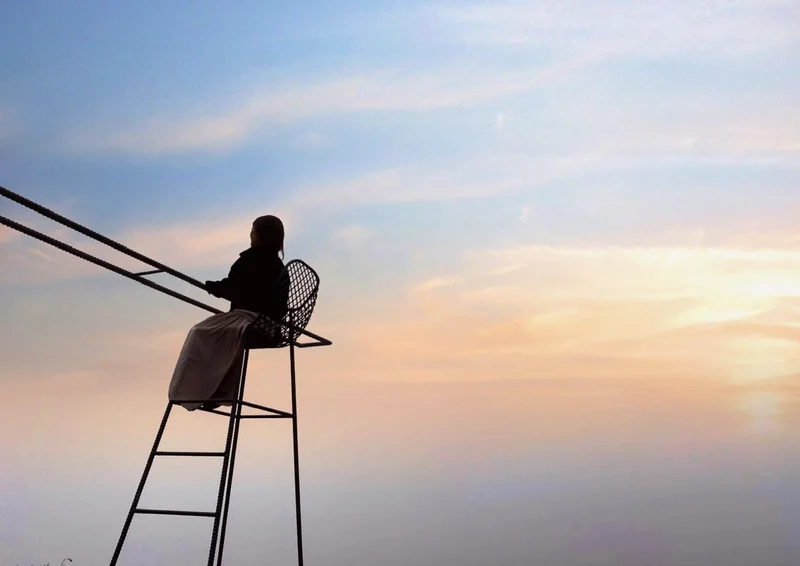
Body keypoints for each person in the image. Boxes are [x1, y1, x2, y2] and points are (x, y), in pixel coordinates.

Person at [168, 215, 289, 411]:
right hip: (270, 327)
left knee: (200, 332)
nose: (250, 234)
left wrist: (212, 287)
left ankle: (195, 392)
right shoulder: (277, 265)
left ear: (259, 234)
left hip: (249, 321)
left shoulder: (251, 259)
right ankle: (213, 392)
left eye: (252, 229)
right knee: (215, 333)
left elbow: (235, 288)